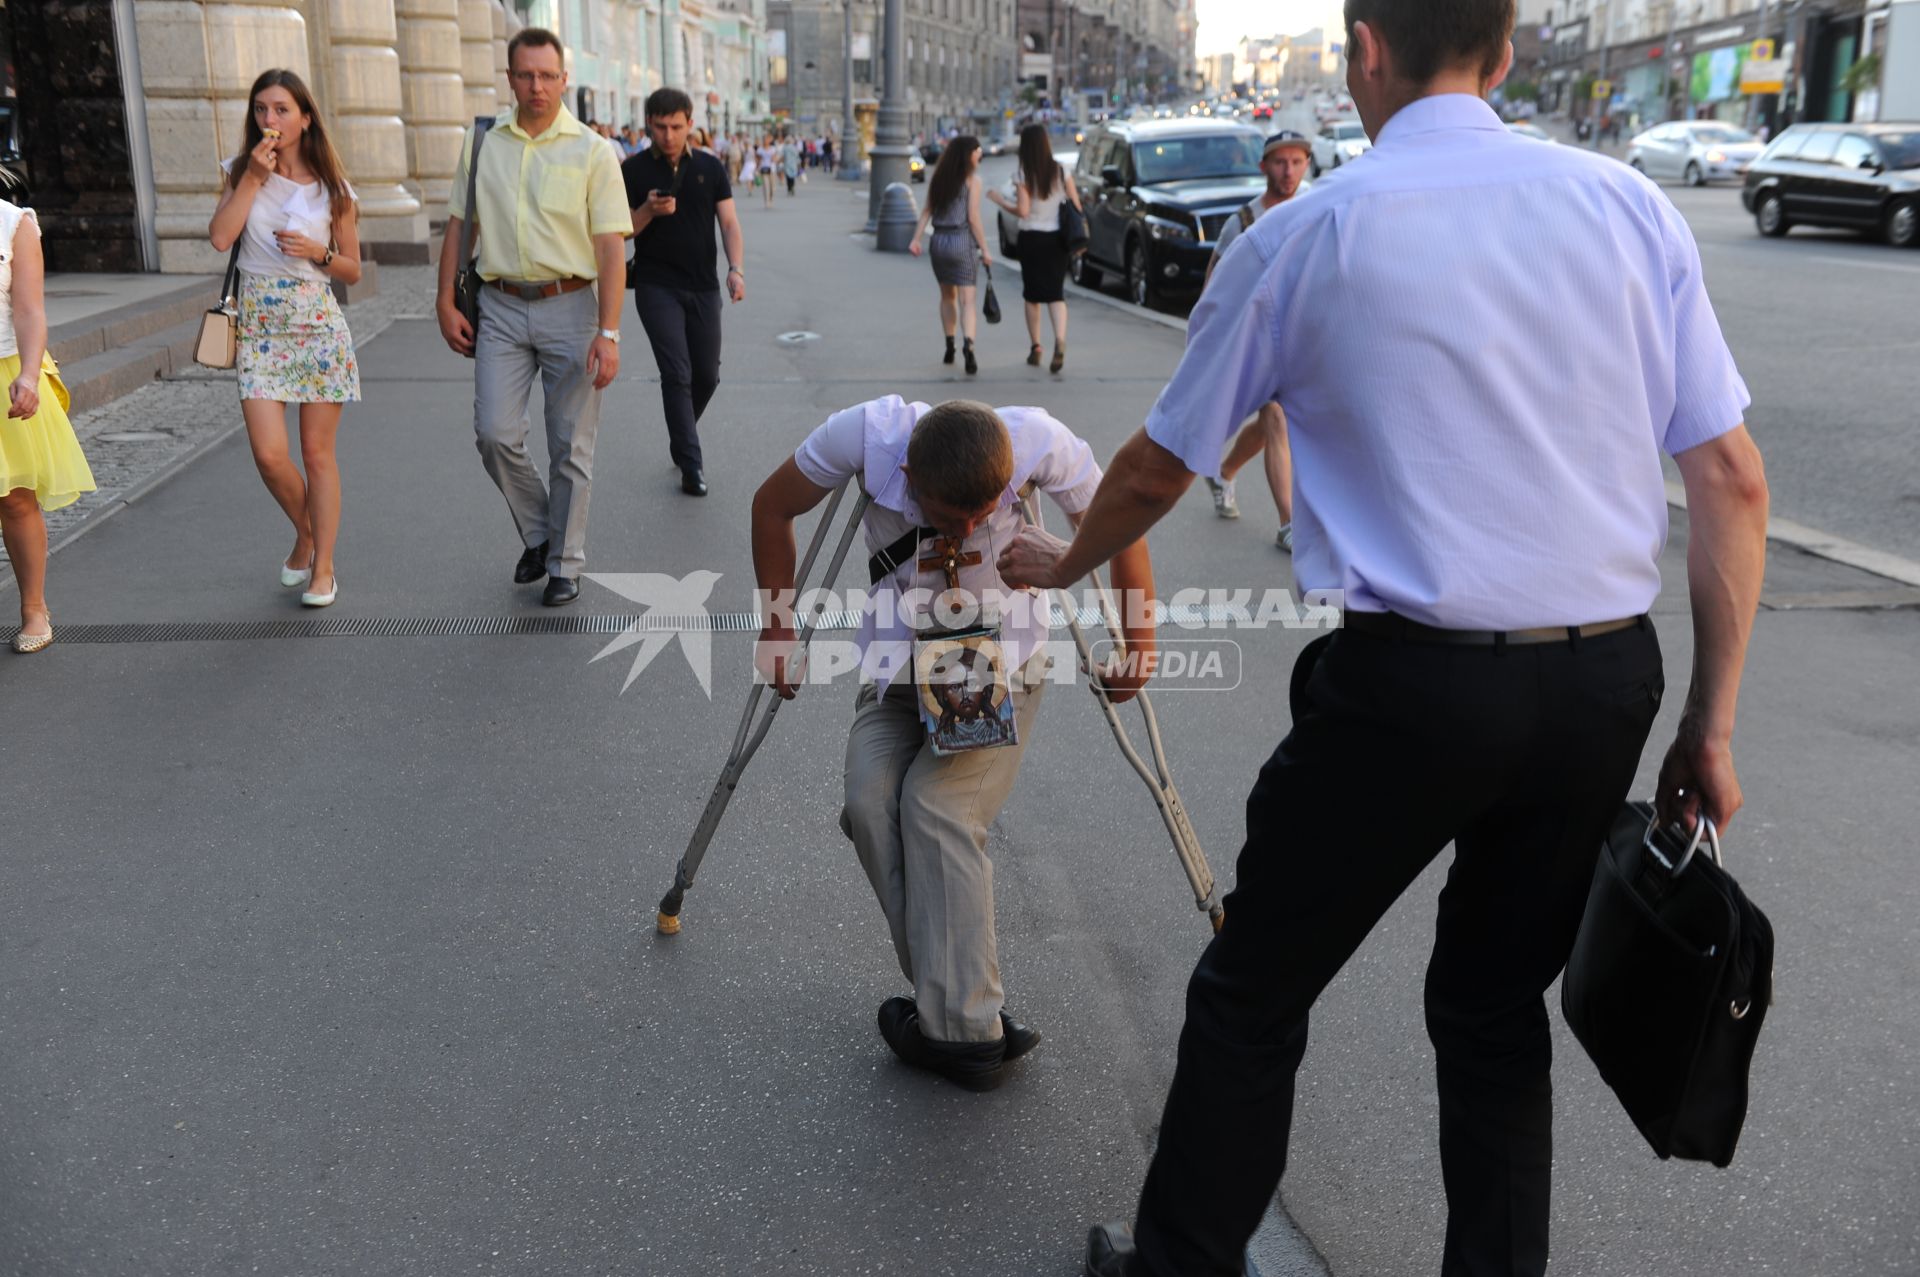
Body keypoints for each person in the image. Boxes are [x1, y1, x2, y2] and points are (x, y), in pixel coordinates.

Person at [994, 1, 1771, 1272]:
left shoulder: (1310, 233)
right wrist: (1710, 726)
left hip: (1409, 688)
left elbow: (1152, 469)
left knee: (1255, 987)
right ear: (1507, 52)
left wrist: (1056, 563)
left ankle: (1183, 1261)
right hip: (1601, 679)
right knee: (1488, 1006)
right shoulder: (1629, 209)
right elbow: (1732, 481)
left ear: (1363, 49)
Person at [751, 397, 1158, 1091]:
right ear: (909, 476)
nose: (967, 529)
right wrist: (778, 626)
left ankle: (966, 1030)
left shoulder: (1039, 439)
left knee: (936, 808)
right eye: (947, 517)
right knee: (870, 803)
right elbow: (771, 505)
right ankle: (955, 992)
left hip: (997, 667)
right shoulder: (865, 436)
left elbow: (1121, 523)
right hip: (901, 670)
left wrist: (1139, 643)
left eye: (982, 515)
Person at [435, 27, 630, 608]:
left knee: (571, 446)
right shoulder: (483, 141)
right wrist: (445, 298)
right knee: (494, 434)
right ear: (510, 77)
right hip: (497, 306)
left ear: (564, 79)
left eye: (548, 75)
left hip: (571, 306)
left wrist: (609, 332)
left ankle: (564, 564)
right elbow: (456, 225)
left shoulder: (593, 150)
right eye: (526, 74)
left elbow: (612, 248)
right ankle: (543, 532)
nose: (537, 86)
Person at [207, 68, 363, 609]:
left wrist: (315, 253)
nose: (269, 120)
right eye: (260, 110)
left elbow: (352, 271)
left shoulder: (333, 188)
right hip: (259, 328)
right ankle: (307, 532)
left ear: (305, 117)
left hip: (316, 326)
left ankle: (323, 567)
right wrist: (252, 178)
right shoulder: (239, 172)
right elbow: (220, 236)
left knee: (317, 455)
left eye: (280, 110)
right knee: (269, 455)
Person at [625, 87, 746, 498]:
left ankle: (681, 436)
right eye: (660, 127)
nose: (668, 135)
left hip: (703, 286)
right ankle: (691, 464)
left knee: (707, 375)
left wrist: (736, 269)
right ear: (649, 126)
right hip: (655, 285)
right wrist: (647, 211)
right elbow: (617, 231)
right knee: (677, 373)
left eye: (676, 126)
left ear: (690, 124)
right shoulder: (633, 169)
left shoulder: (710, 168)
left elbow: (729, 224)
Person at [1197, 130, 1310, 550]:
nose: (1289, 171)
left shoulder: (1313, 209)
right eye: (1281, 162)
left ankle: (1225, 471)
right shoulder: (1243, 221)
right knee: (1277, 418)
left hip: (1303, 335)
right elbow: (1217, 277)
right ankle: (1288, 523)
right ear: (1264, 167)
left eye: (1297, 162)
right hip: (1258, 337)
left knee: (1271, 424)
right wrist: (1209, 332)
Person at [0, 198, 95, 653]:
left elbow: (29, 310)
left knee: (15, 501)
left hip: (6, 368)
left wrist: (30, 374)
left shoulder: (12, 222)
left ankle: (33, 608)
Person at [986, 124, 1081, 373]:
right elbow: (1076, 206)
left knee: (1032, 295)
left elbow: (1024, 211)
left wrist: (1000, 201)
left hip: (1032, 239)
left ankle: (1036, 347)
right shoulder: (1061, 170)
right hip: (1057, 240)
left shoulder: (1023, 173)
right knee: (1056, 294)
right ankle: (1060, 341)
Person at [907, 136, 991, 375]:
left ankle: (949, 344)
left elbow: (926, 211)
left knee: (947, 297)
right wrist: (985, 249)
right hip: (962, 241)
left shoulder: (939, 178)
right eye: (977, 151)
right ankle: (969, 346)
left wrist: (916, 239)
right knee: (968, 300)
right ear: (968, 155)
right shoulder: (972, 181)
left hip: (940, 242)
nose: (979, 155)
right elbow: (973, 218)